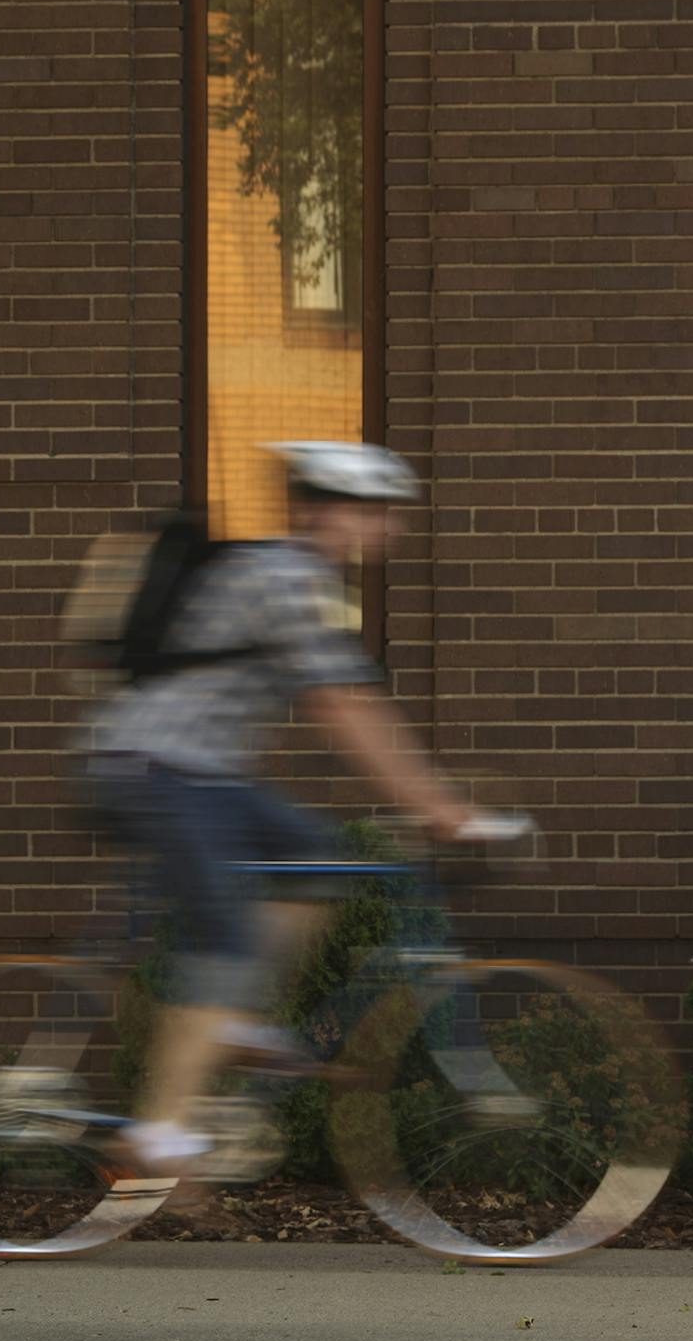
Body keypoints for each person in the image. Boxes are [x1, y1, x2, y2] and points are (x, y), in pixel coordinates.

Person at [89, 441, 501, 1175]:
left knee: (321, 861)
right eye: (371, 510)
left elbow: (353, 698)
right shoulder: (282, 575)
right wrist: (439, 807)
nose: (386, 527)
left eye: (387, 513)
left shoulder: (304, 582)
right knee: (224, 942)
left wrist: (432, 800)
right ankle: (158, 1135)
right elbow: (343, 707)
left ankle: (238, 1019)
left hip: (205, 776)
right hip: (155, 768)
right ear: (320, 511)